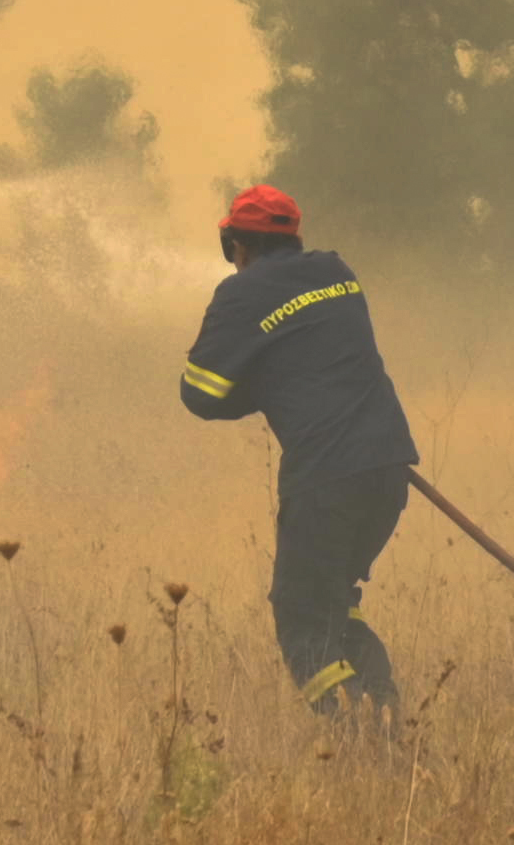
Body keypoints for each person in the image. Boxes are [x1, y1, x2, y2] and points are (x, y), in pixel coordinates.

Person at [177, 182, 421, 713]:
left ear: (236, 246)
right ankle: (384, 714)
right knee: (333, 602)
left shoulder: (239, 295)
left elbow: (201, 394)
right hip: (388, 468)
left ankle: (355, 734)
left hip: (326, 477)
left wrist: (262, 382)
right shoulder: (337, 273)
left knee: (301, 615)